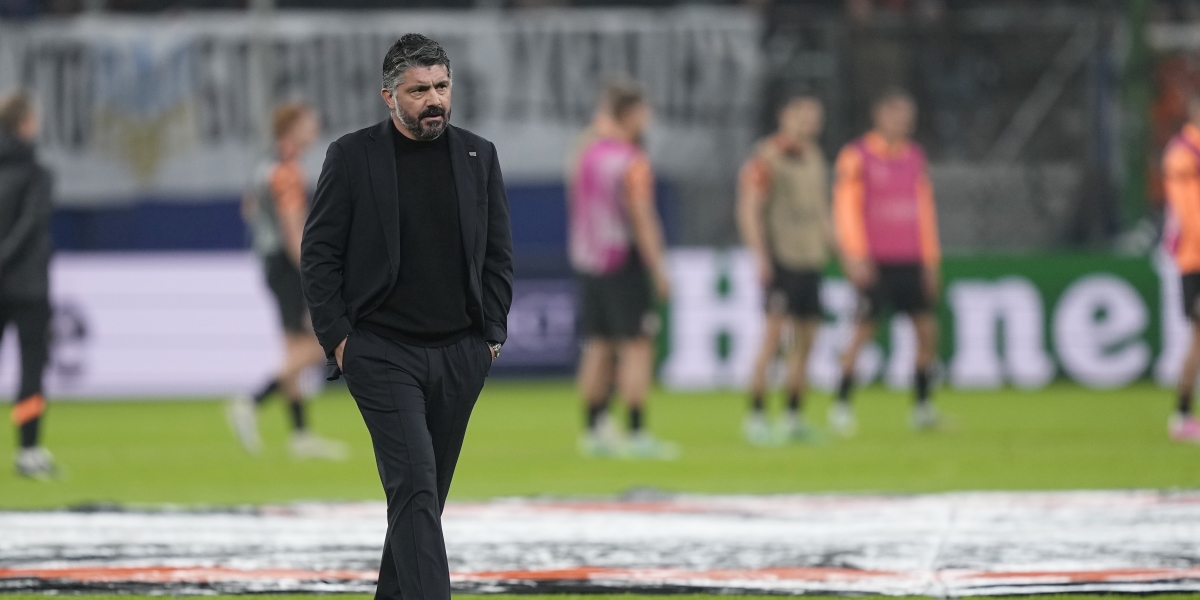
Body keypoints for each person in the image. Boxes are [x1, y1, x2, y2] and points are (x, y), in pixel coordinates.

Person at [300, 34, 512, 600]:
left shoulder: (479, 155)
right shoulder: (352, 156)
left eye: (441, 86)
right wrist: (340, 340)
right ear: (388, 96)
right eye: (419, 91)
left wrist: (490, 338)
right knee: (416, 488)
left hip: (460, 354)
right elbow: (319, 253)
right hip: (382, 352)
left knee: (422, 500)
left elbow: (497, 254)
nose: (434, 100)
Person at [227, 102, 347, 460]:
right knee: (322, 345)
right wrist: (312, 272)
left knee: (293, 348)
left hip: (270, 261)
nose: (315, 128)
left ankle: (300, 434)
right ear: (292, 128)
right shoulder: (287, 172)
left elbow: (248, 208)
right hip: (288, 263)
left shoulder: (265, 166)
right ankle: (251, 401)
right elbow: (293, 227)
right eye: (308, 123)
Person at [570, 81, 676, 459]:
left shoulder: (588, 153)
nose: (647, 120)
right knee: (637, 346)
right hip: (622, 259)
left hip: (589, 258)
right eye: (643, 113)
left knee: (597, 345)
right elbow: (641, 216)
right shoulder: (631, 161)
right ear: (629, 115)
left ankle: (593, 429)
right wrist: (658, 266)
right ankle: (636, 431)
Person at [831, 88, 941, 434]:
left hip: (910, 259)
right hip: (875, 262)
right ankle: (841, 405)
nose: (902, 121)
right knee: (862, 333)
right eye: (895, 114)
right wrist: (855, 254)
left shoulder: (914, 157)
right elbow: (846, 208)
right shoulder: (857, 155)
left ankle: (922, 407)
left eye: (907, 115)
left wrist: (930, 260)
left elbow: (924, 211)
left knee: (927, 332)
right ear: (878, 116)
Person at [737, 95, 833, 445]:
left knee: (807, 341)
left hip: (810, 259)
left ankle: (793, 416)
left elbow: (821, 209)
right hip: (782, 258)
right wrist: (760, 256)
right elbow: (749, 210)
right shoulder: (766, 159)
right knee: (773, 339)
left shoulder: (814, 157)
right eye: (802, 117)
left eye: (814, 118)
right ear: (784, 117)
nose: (809, 124)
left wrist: (835, 245)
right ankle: (756, 415)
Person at [0, 91, 56, 479]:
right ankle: (29, 449)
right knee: (31, 371)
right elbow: (30, 224)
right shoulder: (37, 173)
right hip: (29, 286)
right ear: (24, 124)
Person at [1161, 92, 1200, 443]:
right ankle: (1182, 414)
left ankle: (1183, 414)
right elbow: (1190, 217)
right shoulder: (1183, 154)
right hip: (1194, 261)